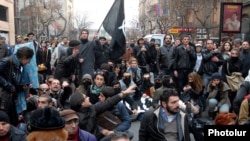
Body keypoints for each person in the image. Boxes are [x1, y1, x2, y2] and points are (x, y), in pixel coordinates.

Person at [69, 84, 136, 140]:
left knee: (127, 134)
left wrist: (122, 94)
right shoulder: (77, 119)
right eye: (86, 97)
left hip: (102, 134)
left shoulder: (92, 108)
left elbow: (109, 103)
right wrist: (102, 132)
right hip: (94, 138)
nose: (88, 98)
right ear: (82, 103)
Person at [0, 47, 34, 126]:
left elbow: (12, 80)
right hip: (3, 98)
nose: (28, 63)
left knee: (13, 122)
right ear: (24, 57)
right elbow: (8, 83)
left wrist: (22, 87)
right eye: (29, 60)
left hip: (11, 98)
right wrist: (9, 86)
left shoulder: (18, 65)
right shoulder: (7, 61)